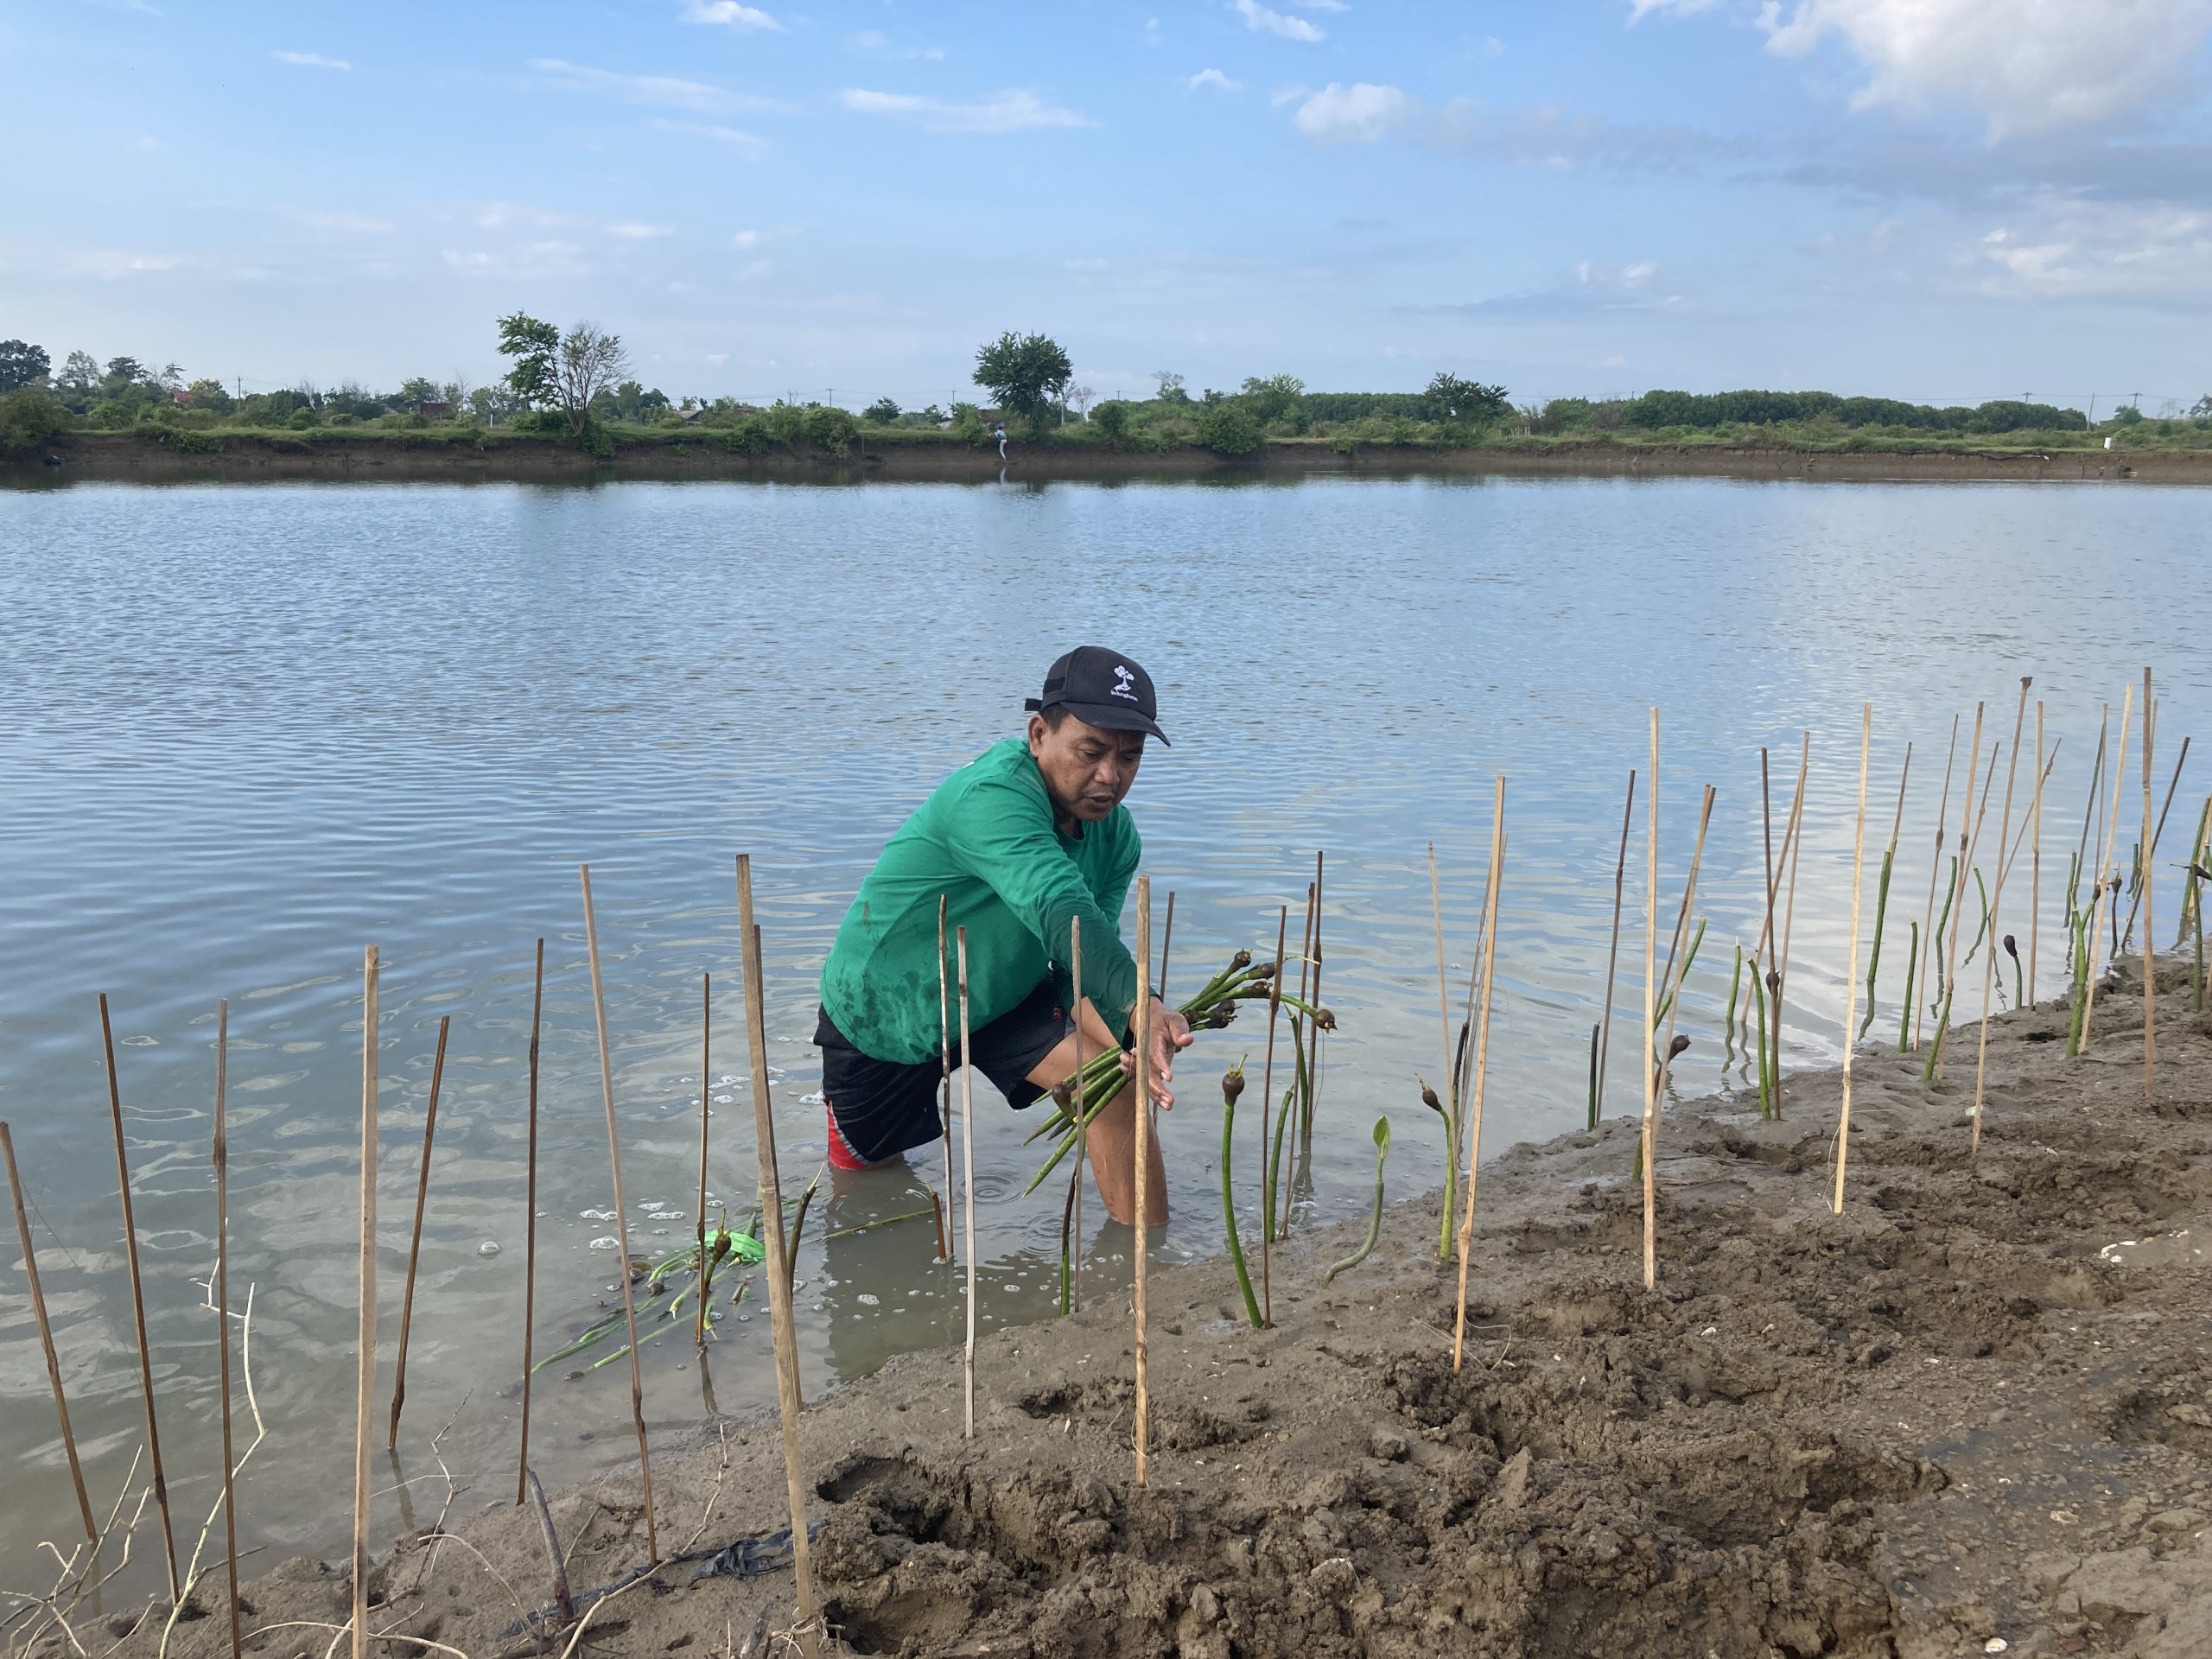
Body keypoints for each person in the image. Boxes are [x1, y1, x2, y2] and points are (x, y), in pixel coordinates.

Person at [815, 647, 1191, 1225]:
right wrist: (1143, 1003)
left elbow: (1078, 964)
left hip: (1002, 996)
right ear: (1039, 734)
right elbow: (1058, 905)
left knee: (1112, 1086)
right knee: (866, 1188)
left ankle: (1149, 1262)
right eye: (1091, 752)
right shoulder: (992, 798)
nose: (1110, 776)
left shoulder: (1116, 838)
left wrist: (1130, 1037)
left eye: (1130, 758)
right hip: (890, 1003)